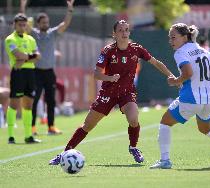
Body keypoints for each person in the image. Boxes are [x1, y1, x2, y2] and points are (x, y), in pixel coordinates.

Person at [49, 20, 174, 165]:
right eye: (120, 30)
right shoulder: (108, 51)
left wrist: (171, 75)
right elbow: (96, 74)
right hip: (107, 93)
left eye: (126, 30)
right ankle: (64, 154)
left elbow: (156, 62)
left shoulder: (136, 49)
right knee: (88, 125)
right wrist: (110, 78)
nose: (124, 33)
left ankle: (133, 147)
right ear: (114, 34)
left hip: (127, 93)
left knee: (133, 119)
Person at [150, 23, 210, 169]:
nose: (170, 41)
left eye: (173, 37)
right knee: (205, 129)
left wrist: (175, 81)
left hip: (191, 99)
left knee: (165, 122)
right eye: (169, 38)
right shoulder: (201, 50)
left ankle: (165, 161)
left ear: (185, 37)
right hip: (209, 99)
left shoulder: (180, 53)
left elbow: (188, 73)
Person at [20, 0, 75, 135]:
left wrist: (70, 9)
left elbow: (65, 24)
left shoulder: (52, 33)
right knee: (35, 100)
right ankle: (32, 128)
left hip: (50, 73)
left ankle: (51, 127)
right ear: (38, 24)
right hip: (36, 73)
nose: (46, 24)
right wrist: (22, 6)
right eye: (43, 22)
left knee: (51, 100)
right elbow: (24, 23)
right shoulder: (33, 33)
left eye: (47, 22)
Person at [4, 13, 41, 144]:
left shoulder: (30, 39)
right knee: (14, 104)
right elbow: (17, 54)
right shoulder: (10, 39)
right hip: (18, 73)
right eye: (20, 24)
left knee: (29, 105)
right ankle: (10, 136)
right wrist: (29, 56)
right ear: (14, 25)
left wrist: (23, 58)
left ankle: (28, 136)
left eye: (24, 24)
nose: (22, 26)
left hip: (30, 73)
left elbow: (38, 56)